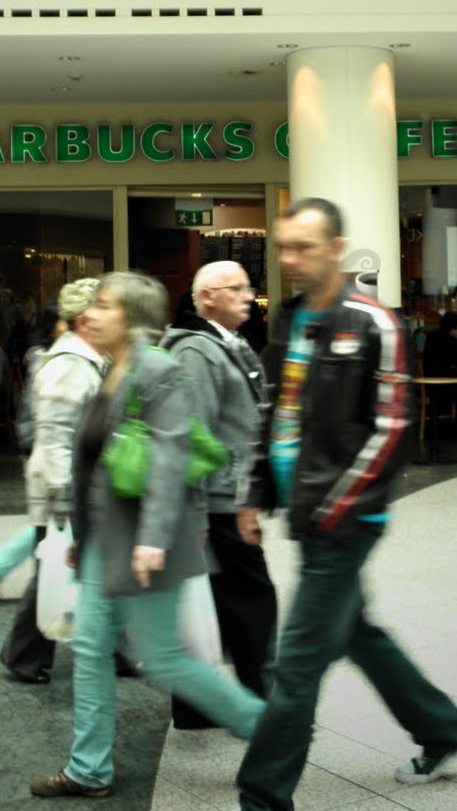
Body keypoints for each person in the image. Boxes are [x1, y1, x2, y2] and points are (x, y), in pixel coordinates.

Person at [236, 199, 457, 811]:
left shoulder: (376, 323)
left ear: (336, 250)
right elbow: (277, 413)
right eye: (284, 247)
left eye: (305, 247)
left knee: (294, 666)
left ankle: (261, 798)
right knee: (357, 633)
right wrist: (256, 494)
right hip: (307, 513)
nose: (290, 260)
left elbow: (394, 429)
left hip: (344, 523)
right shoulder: (289, 322)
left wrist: (336, 505)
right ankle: (443, 729)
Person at [30, 272, 264, 799]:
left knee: (164, 658)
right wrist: (79, 534)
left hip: (145, 544)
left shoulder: (156, 367)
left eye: (105, 305)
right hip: (104, 542)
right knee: (90, 649)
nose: (91, 313)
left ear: (131, 317)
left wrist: (153, 537)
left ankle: (271, 730)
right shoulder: (115, 367)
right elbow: (98, 465)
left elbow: (169, 455)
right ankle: (88, 769)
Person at [161, 261, 276, 730]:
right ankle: (261, 705)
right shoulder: (196, 351)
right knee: (253, 603)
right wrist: (197, 510)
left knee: (219, 602)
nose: (250, 295)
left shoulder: (229, 342)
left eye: (249, 287)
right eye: (238, 288)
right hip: (218, 502)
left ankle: (194, 706)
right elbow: (191, 432)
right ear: (207, 296)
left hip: (229, 496)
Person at [0, 279, 104, 684]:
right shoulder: (69, 364)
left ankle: (116, 648)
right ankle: (23, 655)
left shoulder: (87, 358)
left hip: (76, 487)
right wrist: (64, 500)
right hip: (61, 489)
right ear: (85, 320)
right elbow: (55, 438)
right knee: (52, 569)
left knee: (76, 566)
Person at [415, 311, 457, 463]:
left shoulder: (431, 337)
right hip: (443, 387)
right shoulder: (450, 340)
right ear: (453, 328)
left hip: (428, 385)